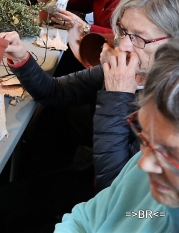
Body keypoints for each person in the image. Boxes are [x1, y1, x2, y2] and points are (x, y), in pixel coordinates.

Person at [0, 0, 179, 191]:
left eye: (138, 38)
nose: (123, 45)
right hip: (96, 176)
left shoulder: (170, 107)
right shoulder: (133, 66)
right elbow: (55, 92)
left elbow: (115, 189)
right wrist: (22, 58)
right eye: (123, 31)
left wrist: (117, 96)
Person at [55, 38, 179, 232]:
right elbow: (90, 216)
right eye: (145, 137)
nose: (143, 164)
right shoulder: (147, 176)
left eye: (171, 153)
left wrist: (116, 99)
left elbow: (109, 179)